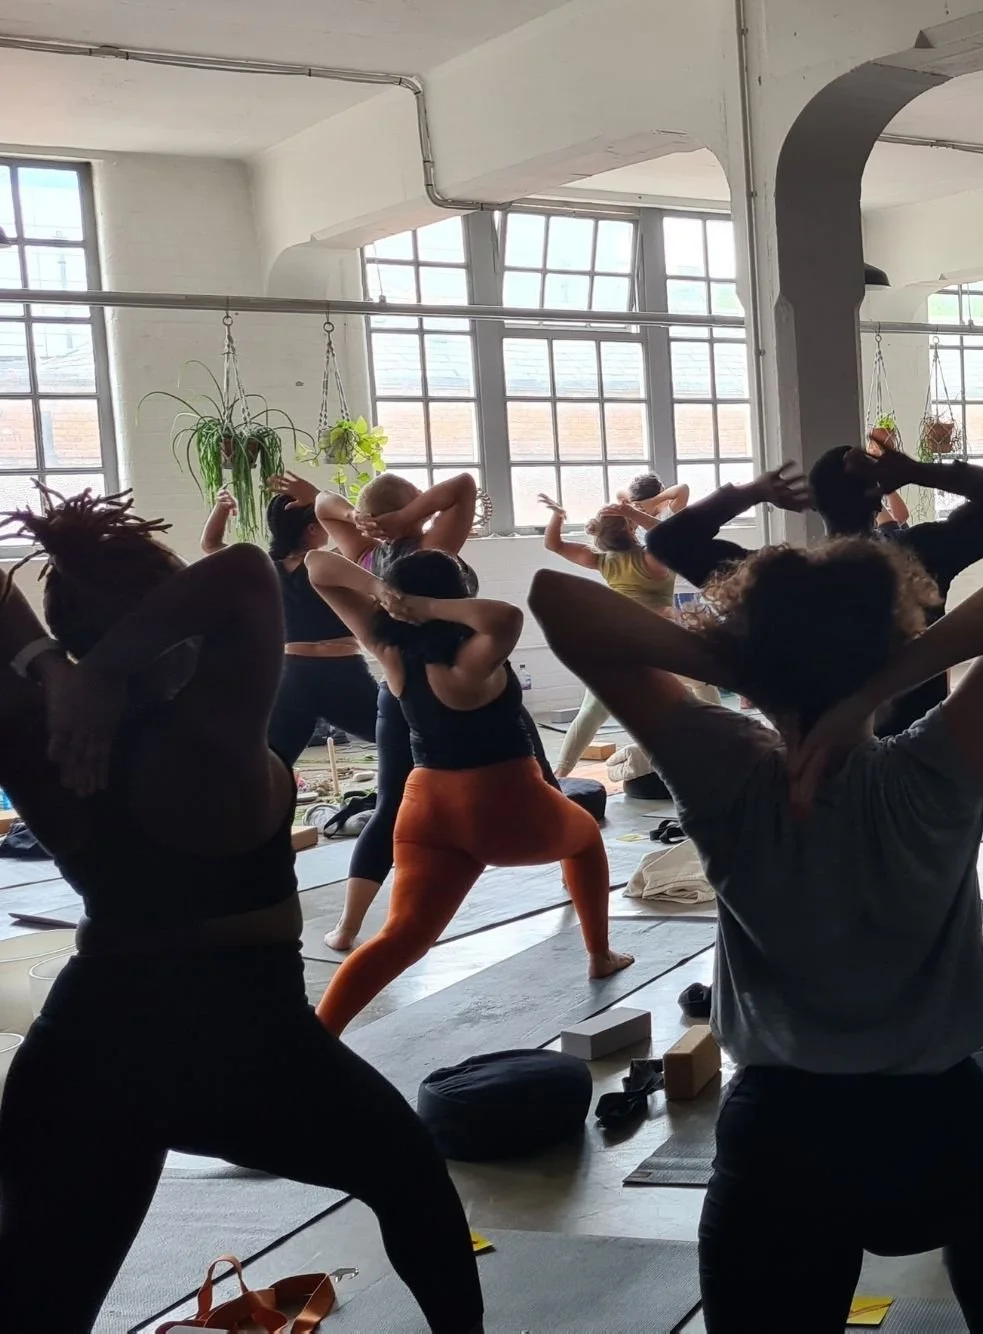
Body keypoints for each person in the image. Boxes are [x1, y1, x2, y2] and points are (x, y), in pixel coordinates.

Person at [529, 531, 983, 1334]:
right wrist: (867, 687)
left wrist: (763, 677)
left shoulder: (725, 766)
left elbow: (555, 600)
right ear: (890, 646)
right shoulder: (937, 767)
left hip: (783, 1137)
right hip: (937, 1127)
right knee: (976, 1223)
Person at [0, 487, 483, 1331]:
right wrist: (107, 669)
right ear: (167, 625)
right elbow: (246, 574)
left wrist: (52, 669)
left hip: (88, 1044)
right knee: (413, 1183)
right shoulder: (209, 733)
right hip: (240, 1039)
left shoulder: (42, 733)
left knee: (42, 1303)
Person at [305, 548, 634, 1033]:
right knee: (584, 839)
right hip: (505, 804)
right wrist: (427, 606)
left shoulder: (390, 650)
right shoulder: (472, 660)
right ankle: (600, 955)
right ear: (457, 596)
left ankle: (319, 1034)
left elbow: (318, 565)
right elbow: (507, 616)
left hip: (426, 813)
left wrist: (383, 595)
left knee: (402, 936)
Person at [309, 469, 554, 953]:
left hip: (401, 683)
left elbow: (321, 515)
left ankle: (347, 927)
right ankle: (573, 862)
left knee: (391, 805)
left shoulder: (362, 552)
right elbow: (462, 487)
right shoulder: (429, 547)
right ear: (415, 510)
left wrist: (364, 531)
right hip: (464, 673)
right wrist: (403, 522)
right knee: (538, 776)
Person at [646, 444, 983, 737]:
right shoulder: (920, 558)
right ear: (878, 497)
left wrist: (752, 492)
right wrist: (918, 472)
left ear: (815, 504)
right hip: (916, 748)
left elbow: (666, 540)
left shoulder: (778, 579)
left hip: (822, 757)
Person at [199, 484, 383, 770]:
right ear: (311, 528)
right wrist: (320, 498)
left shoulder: (263, 567)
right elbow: (363, 532)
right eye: (321, 523)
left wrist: (221, 508)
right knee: (400, 738)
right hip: (343, 673)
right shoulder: (332, 562)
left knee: (271, 765)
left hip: (292, 676)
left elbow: (211, 545)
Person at [534, 490, 712, 778]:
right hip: (655, 640)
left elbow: (553, 544)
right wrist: (633, 513)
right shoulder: (652, 559)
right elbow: (670, 532)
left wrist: (558, 516)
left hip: (614, 642)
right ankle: (731, 742)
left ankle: (560, 774)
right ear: (631, 528)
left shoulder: (602, 561)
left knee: (591, 712)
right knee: (703, 684)